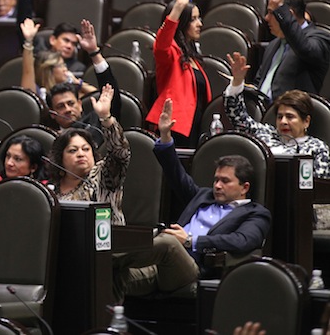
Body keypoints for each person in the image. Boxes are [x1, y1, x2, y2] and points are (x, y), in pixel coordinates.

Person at [112, 98, 272, 301]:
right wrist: (165, 135)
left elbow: (243, 241)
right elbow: (176, 175)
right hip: (157, 266)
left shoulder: (256, 213)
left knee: (169, 241)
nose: (217, 186)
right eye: (215, 180)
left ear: (244, 187)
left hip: (192, 269)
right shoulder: (203, 196)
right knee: (111, 276)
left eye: (225, 181)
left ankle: (107, 255)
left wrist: (190, 241)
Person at [225, 51, 330, 178]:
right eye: (280, 117)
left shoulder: (317, 149)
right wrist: (237, 82)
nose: (283, 122)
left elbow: (318, 189)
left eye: (290, 117)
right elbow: (238, 117)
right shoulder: (266, 135)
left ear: (306, 121)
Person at [46, 84, 130, 225]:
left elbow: (120, 153)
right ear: (60, 158)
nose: (81, 154)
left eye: (86, 149)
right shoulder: (52, 189)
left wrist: (106, 118)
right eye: (73, 150)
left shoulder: (103, 176)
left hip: (110, 242)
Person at [145, 0, 211, 147]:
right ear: (182, 23)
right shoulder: (170, 53)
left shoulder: (191, 55)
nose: (200, 24)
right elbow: (161, 43)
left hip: (195, 129)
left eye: (199, 18)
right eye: (194, 19)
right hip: (175, 128)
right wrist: (178, 7)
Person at [253, 0, 330, 101]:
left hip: (291, 116)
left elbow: (304, 48)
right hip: (263, 115)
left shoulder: (319, 38)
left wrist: (280, 7)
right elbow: (259, 82)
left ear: (290, 15)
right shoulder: (273, 44)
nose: (266, 19)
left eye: (271, 13)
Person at [20, 18, 99, 97]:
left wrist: (78, 82)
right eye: (66, 40)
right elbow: (27, 71)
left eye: (74, 44)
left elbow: (96, 95)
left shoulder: (71, 89)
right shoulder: (37, 92)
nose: (69, 46)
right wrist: (28, 41)